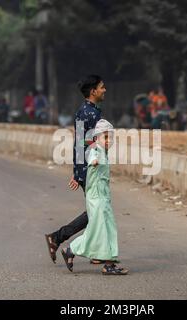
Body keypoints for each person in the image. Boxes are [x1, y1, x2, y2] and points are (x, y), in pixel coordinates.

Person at [45, 75, 106, 265]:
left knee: (96, 211)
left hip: (91, 168)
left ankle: (94, 251)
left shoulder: (92, 111)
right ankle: (58, 238)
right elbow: (82, 144)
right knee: (97, 211)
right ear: (93, 91)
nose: (105, 90)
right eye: (102, 87)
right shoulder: (87, 113)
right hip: (91, 170)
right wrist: (80, 173)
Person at [61, 119, 129, 275]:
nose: (109, 140)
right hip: (96, 198)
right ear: (97, 138)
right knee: (97, 230)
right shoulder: (95, 151)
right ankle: (71, 250)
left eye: (111, 137)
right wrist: (94, 162)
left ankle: (109, 262)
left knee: (107, 228)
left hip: (103, 197)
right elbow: (91, 158)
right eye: (105, 137)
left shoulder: (103, 151)